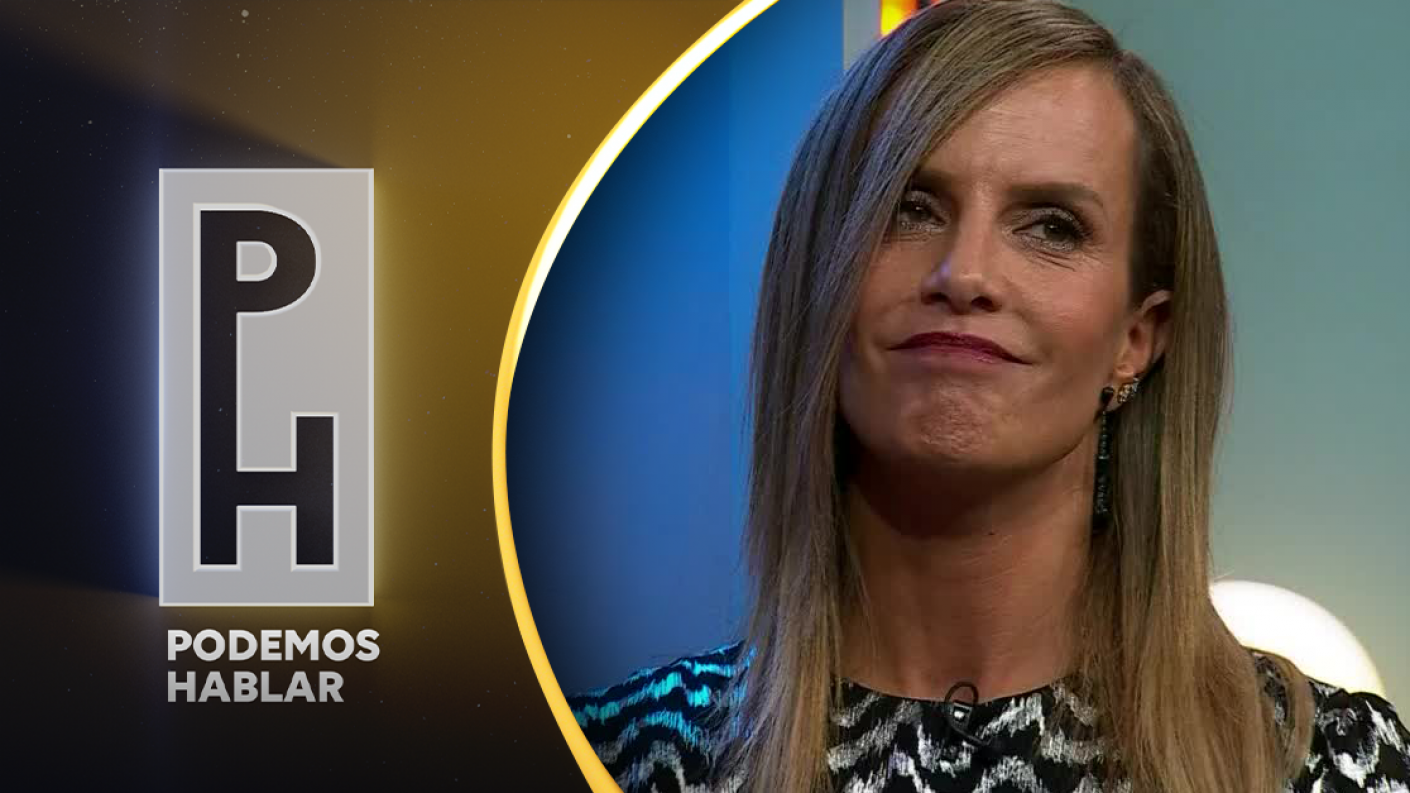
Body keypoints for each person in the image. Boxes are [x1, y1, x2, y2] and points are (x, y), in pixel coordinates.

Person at [566, 1, 1410, 791]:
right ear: (818, 280)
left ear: (1137, 338)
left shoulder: (1324, 763)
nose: (964, 272)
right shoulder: (620, 751)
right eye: (909, 208)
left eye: (1051, 226)